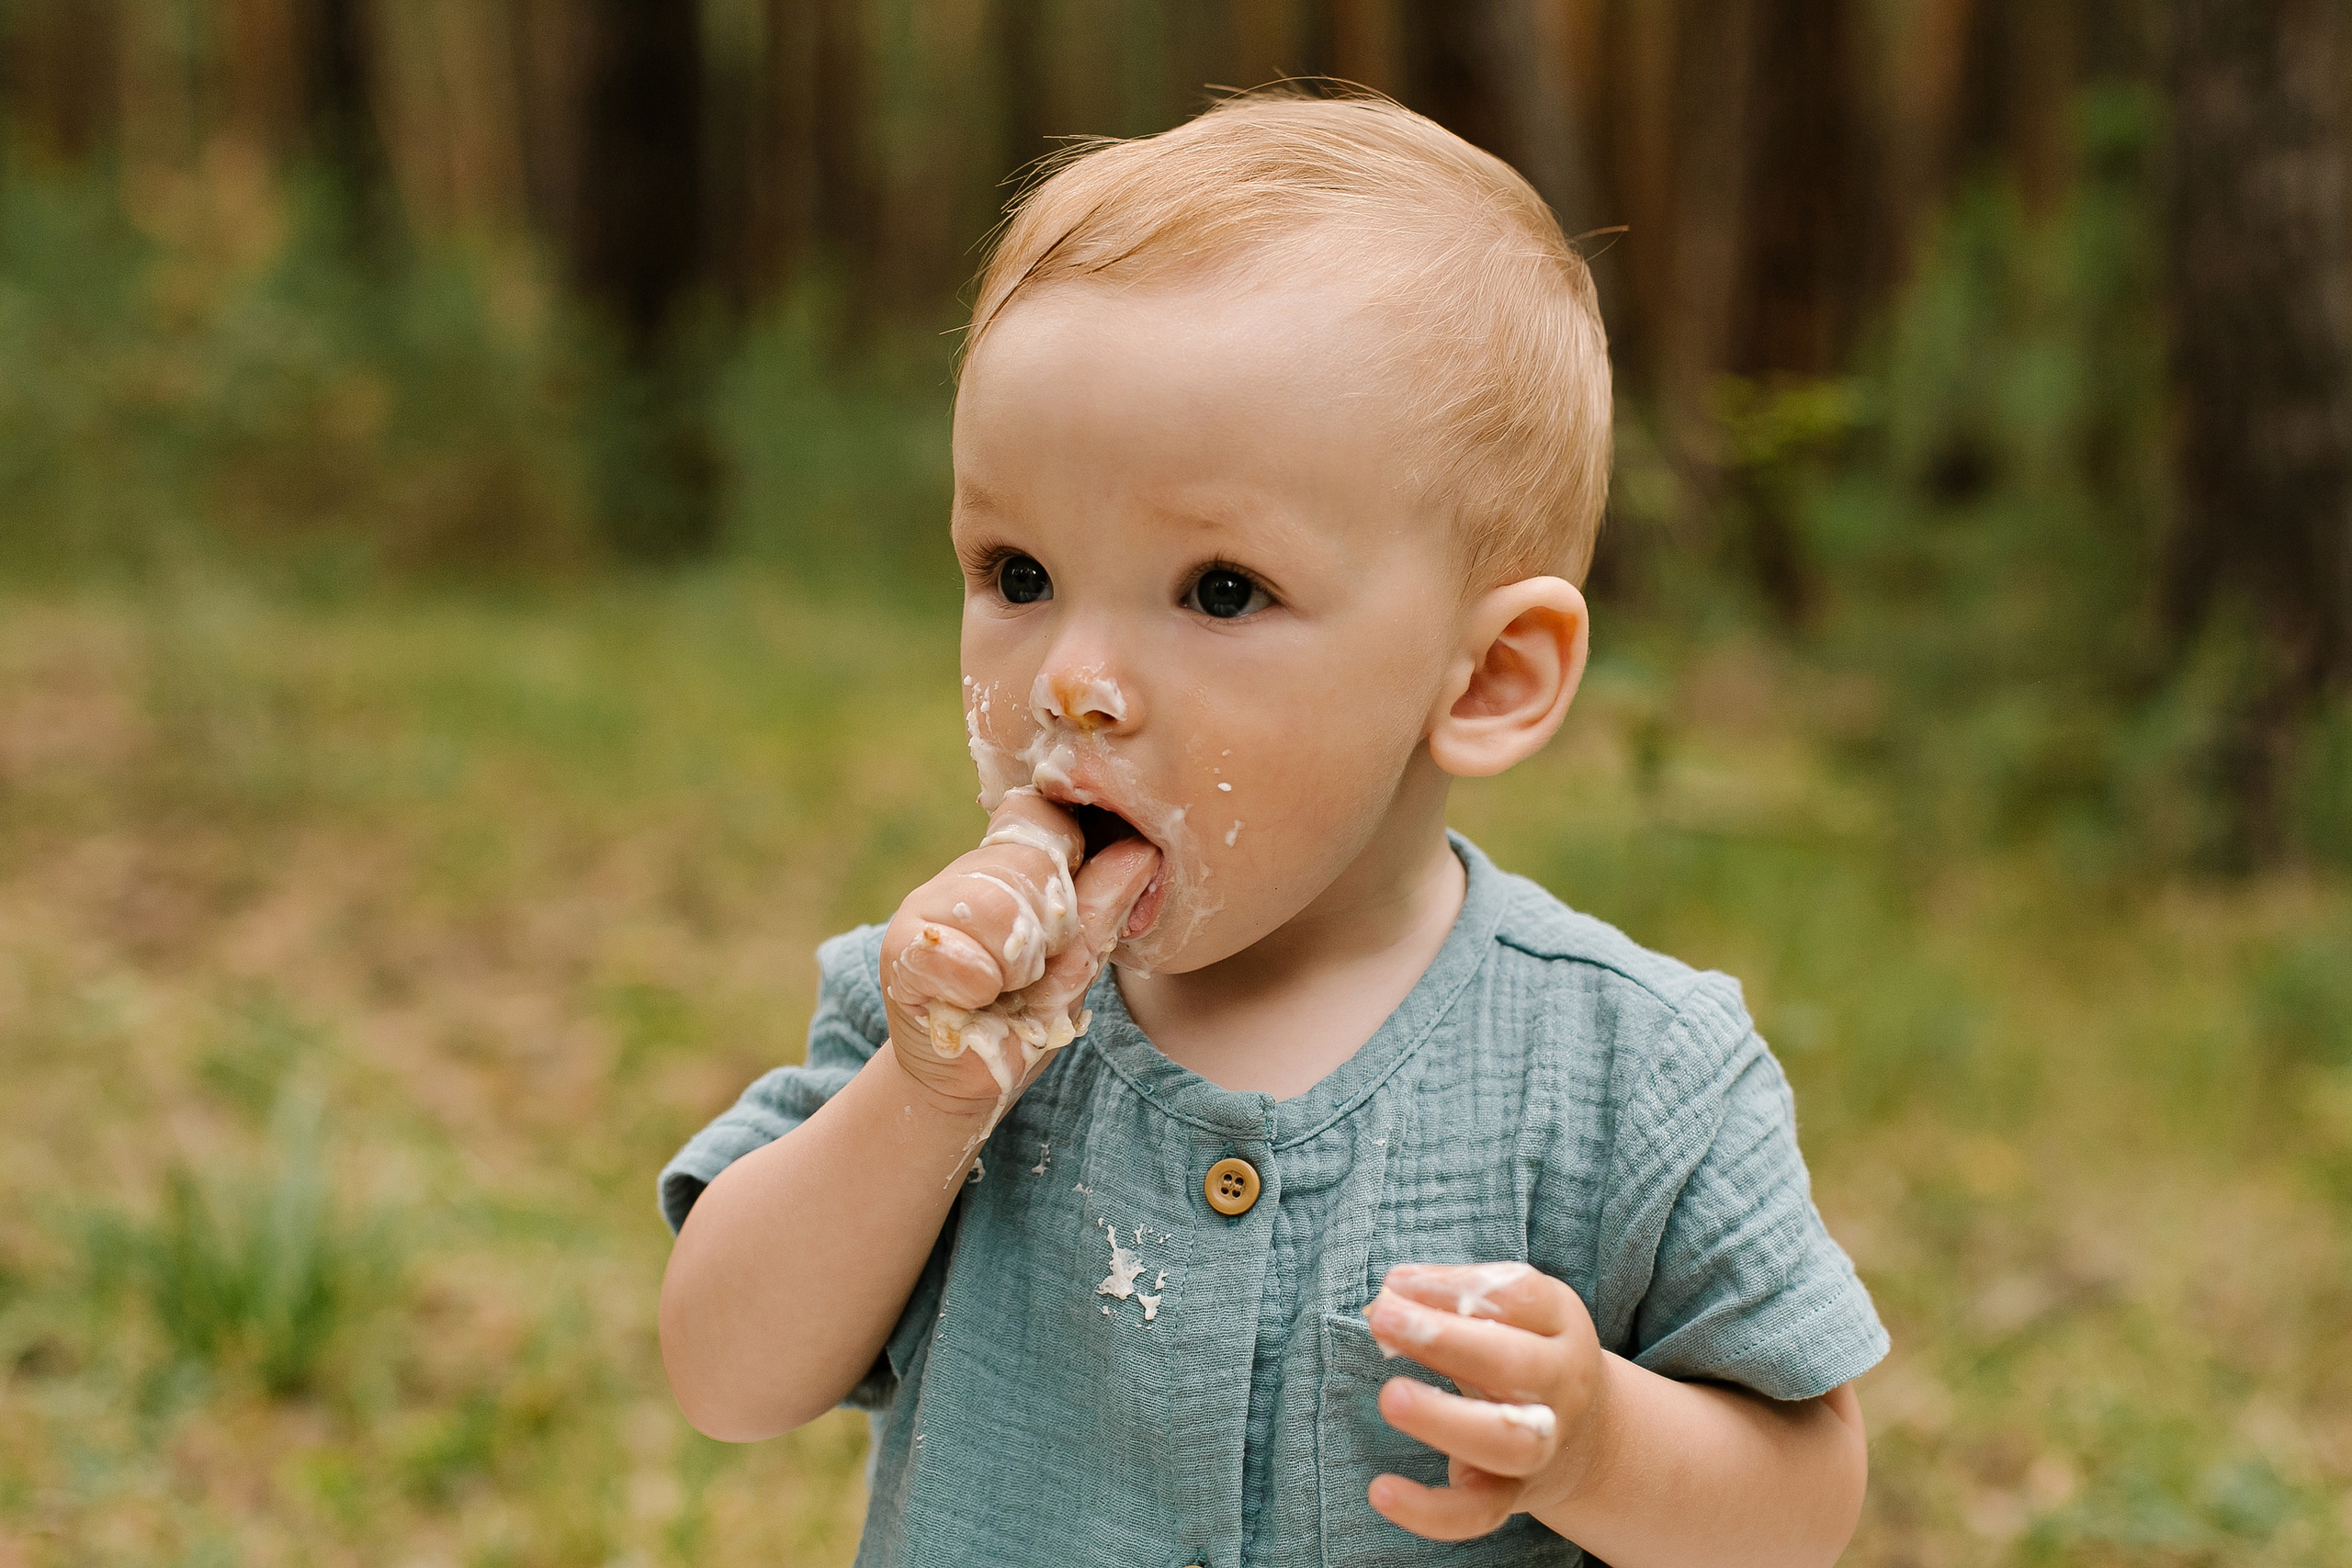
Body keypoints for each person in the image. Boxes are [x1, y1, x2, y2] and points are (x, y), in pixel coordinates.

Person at [655, 89, 1885, 1568]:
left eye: (1221, 591)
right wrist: (920, 1104)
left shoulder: (1632, 1073)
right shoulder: (932, 1022)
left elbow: (1802, 1508)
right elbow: (726, 1376)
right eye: (1019, 572)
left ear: (1489, 678)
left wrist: (1600, 1442)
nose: (1072, 682)